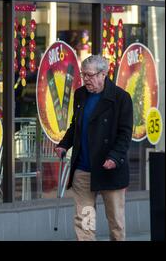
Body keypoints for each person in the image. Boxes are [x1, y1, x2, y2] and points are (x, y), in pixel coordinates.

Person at [54, 55, 133, 241]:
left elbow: (125, 134)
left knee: (116, 223)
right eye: (83, 75)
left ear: (103, 74)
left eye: (90, 75)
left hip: (109, 170)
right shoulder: (80, 94)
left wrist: (114, 157)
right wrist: (64, 144)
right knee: (85, 221)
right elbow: (76, 125)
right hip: (84, 170)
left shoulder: (121, 98)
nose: (86, 79)